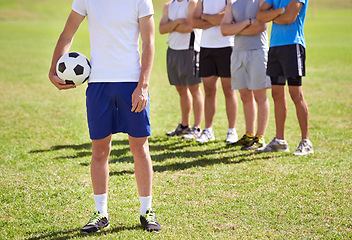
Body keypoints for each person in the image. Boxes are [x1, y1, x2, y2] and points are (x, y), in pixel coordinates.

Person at [48, 0, 161, 233]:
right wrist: (53, 68)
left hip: (132, 82)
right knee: (100, 150)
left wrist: (143, 85)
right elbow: (67, 34)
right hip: (99, 84)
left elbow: (149, 42)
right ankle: (101, 213)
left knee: (140, 147)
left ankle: (146, 211)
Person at [257, 0, 314, 155]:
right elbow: (260, 16)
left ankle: (306, 141)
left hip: (293, 45)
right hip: (275, 46)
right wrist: (279, 11)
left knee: (296, 94)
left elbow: (289, 17)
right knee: (276, 94)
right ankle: (280, 141)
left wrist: (272, 14)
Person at [220, 0, 271, 150]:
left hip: (258, 52)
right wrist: (248, 22)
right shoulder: (232, 1)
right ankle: (249, 135)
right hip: (238, 53)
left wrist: (235, 28)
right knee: (244, 95)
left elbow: (261, 26)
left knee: (260, 95)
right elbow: (224, 29)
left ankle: (259, 137)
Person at [193, 0, 239, 144]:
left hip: (226, 47)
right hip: (206, 48)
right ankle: (208, 130)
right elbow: (194, 22)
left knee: (229, 90)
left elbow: (227, 19)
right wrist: (217, 19)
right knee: (209, 91)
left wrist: (205, 16)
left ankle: (232, 130)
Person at [159, 0, 204, 140]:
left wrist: (171, 25)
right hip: (172, 51)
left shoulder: (192, 3)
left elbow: (189, 27)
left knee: (194, 89)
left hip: (189, 51)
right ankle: (184, 126)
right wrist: (178, 22)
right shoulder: (168, 5)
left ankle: (196, 127)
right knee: (181, 90)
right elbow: (161, 29)